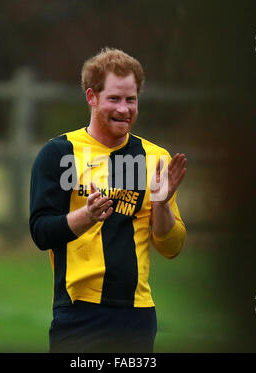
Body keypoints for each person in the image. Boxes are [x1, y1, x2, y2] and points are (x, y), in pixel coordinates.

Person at [29, 47, 187, 353]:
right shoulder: (59, 153)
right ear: (92, 97)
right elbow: (41, 232)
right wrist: (87, 216)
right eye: (114, 98)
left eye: (131, 99)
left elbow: (172, 247)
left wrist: (161, 202)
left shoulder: (155, 158)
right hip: (79, 314)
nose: (125, 109)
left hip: (138, 316)